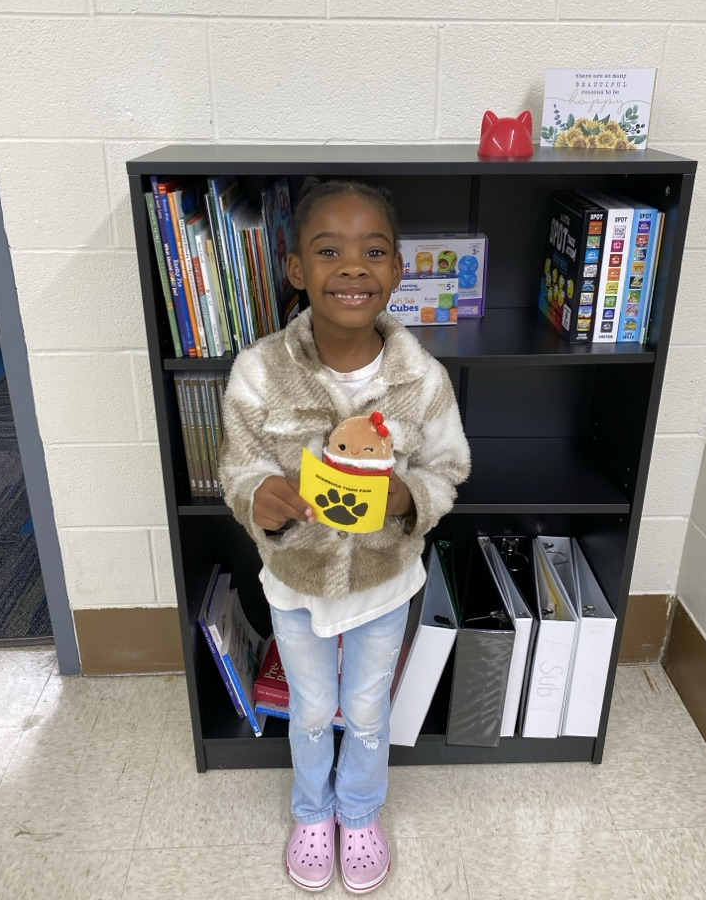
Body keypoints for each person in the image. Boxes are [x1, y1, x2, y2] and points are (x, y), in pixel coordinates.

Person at [219, 178, 470, 893]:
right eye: (329, 250)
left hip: (385, 582)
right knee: (311, 707)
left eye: (374, 251)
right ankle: (311, 811)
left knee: (364, 709)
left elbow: (448, 468)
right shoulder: (259, 372)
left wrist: (408, 494)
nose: (353, 267)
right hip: (295, 583)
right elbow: (239, 466)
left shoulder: (421, 380)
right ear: (296, 269)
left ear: (396, 270)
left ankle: (358, 813)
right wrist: (254, 497)